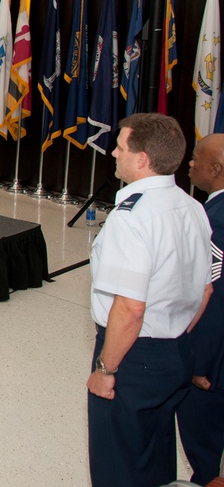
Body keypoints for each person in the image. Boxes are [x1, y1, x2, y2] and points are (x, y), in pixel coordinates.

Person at [86, 113, 213, 487]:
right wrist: (173, 336)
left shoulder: (132, 218)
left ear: (141, 159)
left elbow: (130, 308)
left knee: (118, 469)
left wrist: (106, 371)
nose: (113, 154)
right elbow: (205, 290)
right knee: (154, 464)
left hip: (132, 357)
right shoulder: (193, 208)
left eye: (120, 147)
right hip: (177, 350)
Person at [179, 133, 224, 485]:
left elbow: (213, 297)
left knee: (205, 441)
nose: (190, 163)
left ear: (216, 168)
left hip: (214, 365)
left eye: (196, 158)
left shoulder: (215, 220)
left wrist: (199, 362)